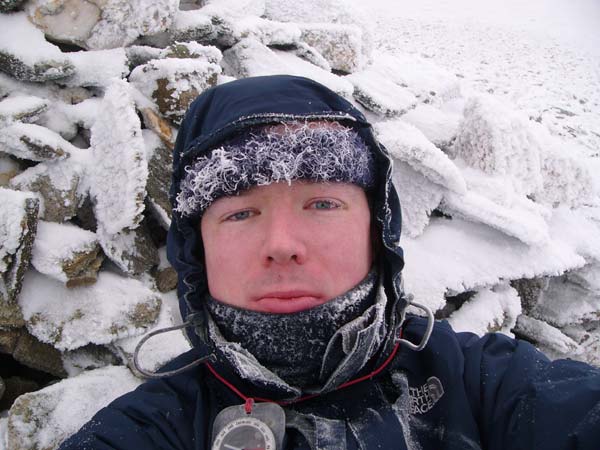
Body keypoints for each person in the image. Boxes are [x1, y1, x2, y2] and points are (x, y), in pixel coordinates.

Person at [59, 75, 600, 450]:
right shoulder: (154, 427)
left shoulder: (482, 384)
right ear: (197, 249)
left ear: (376, 232)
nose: (281, 244)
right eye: (240, 212)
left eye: (322, 204)